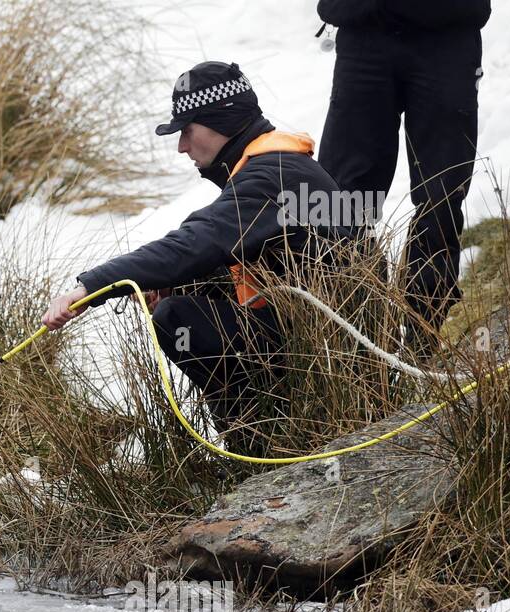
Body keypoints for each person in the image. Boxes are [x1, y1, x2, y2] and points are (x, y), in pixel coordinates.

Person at [43, 62, 355, 442]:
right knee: (186, 292)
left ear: (221, 122)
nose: (181, 146)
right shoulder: (275, 166)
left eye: (187, 131)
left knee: (176, 317)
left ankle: (261, 441)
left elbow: (195, 243)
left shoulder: (270, 175)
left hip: (333, 353)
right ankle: (272, 429)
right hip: (327, 339)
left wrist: (90, 288)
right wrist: (177, 282)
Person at [316, 0, 490, 340]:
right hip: (363, 28)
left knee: (441, 194)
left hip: (448, 33)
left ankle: (423, 335)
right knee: (340, 195)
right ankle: (352, 330)